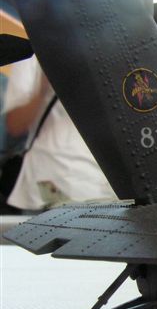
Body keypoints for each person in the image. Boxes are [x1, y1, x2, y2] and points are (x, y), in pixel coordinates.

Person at [3, 56, 115, 213]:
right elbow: (15, 125)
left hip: (105, 184)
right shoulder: (30, 57)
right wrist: (42, 88)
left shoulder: (110, 55)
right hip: (51, 177)